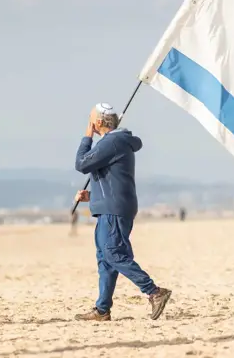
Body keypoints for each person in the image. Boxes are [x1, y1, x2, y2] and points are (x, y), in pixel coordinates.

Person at [73, 102, 171, 321]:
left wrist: (87, 137)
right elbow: (113, 178)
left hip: (114, 210)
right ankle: (102, 309)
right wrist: (92, 196)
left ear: (98, 122)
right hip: (109, 207)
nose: (89, 124)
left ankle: (154, 291)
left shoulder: (113, 142)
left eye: (90, 120)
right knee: (105, 259)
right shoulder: (113, 143)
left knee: (114, 254)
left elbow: (81, 164)